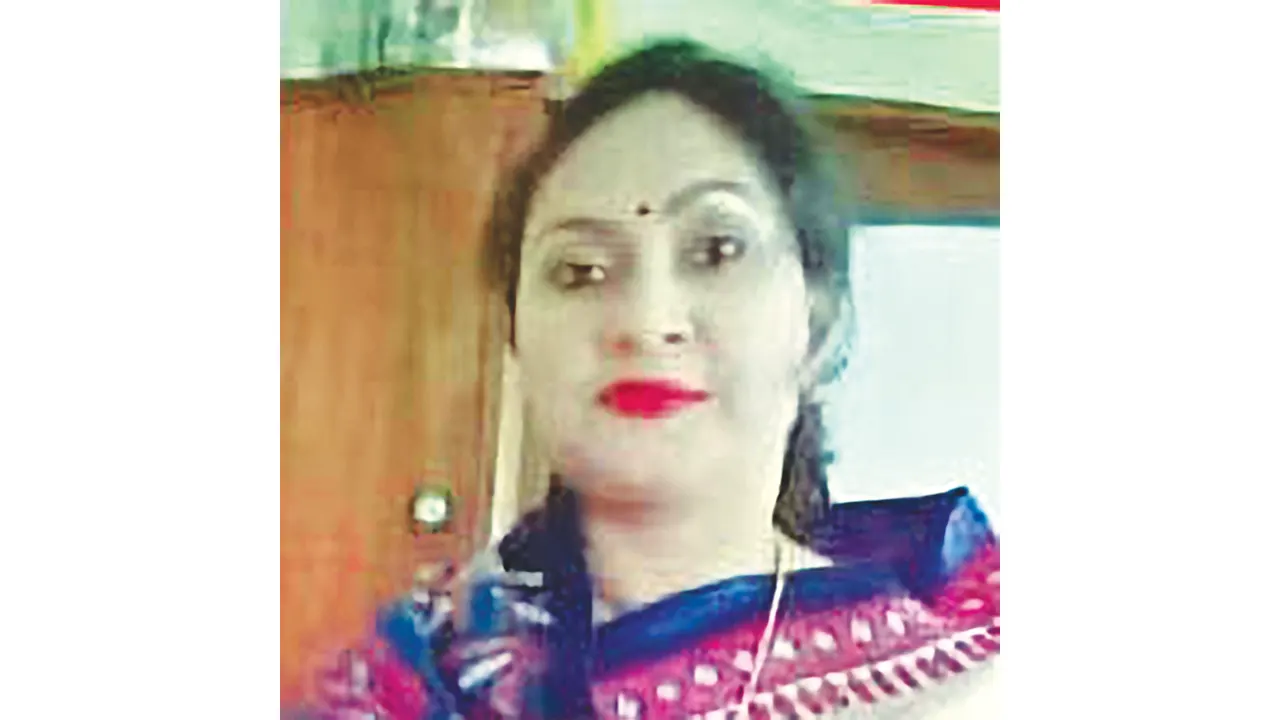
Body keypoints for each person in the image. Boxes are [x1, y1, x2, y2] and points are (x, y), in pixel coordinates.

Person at [304, 39, 1000, 719]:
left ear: (816, 329)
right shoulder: (416, 679)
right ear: (517, 337)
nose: (645, 321)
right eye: (580, 271)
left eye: (716, 250)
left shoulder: (978, 673)